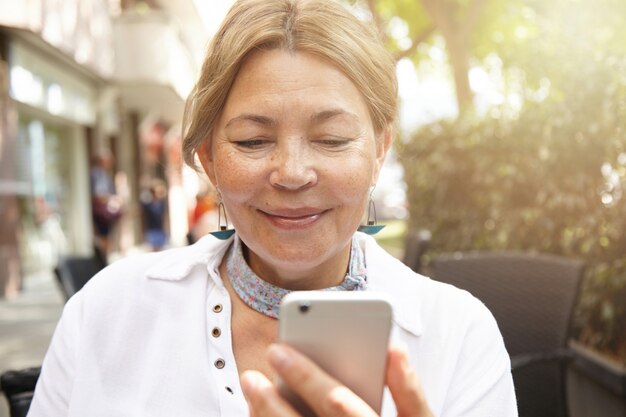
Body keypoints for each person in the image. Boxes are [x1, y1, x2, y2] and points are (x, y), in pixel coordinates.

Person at [28, 1, 518, 416]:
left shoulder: (458, 335)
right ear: (211, 160)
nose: (292, 172)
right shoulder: (106, 310)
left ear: (379, 151)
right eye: (254, 140)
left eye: (331, 138)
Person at [89, 149, 122, 259]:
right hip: (101, 211)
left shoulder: (105, 175)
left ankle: (105, 257)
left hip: (106, 211)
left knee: (107, 235)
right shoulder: (96, 175)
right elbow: (98, 195)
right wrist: (110, 199)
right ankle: (103, 258)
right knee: (103, 236)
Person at [141, 180, 168, 251]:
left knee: (161, 249)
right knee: (155, 249)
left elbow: (163, 217)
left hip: (160, 229)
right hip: (152, 229)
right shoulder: (147, 204)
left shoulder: (161, 204)